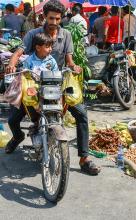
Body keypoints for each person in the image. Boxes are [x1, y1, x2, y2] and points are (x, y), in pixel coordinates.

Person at [5, 0, 101, 176]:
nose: (54, 22)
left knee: (82, 114)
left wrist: (74, 67)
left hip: (57, 82)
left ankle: (84, 158)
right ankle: (18, 136)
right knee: (13, 117)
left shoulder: (67, 35)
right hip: (34, 82)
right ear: (44, 17)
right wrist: (11, 64)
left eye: (58, 19)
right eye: (51, 18)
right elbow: (19, 52)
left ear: (61, 18)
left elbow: (69, 59)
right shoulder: (34, 34)